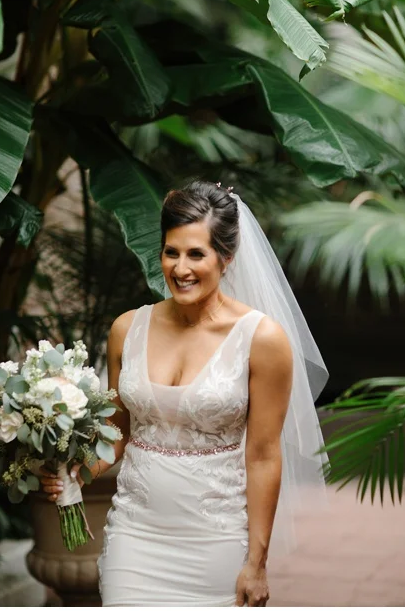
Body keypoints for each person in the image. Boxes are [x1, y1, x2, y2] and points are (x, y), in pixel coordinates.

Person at [39, 181, 329, 606]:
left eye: (196, 254)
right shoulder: (127, 329)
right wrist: (75, 471)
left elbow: (264, 454)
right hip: (134, 538)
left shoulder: (262, 340)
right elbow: (117, 433)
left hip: (216, 541)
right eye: (171, 252)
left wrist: (257, 562)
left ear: (226, 258)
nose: (180, 268)